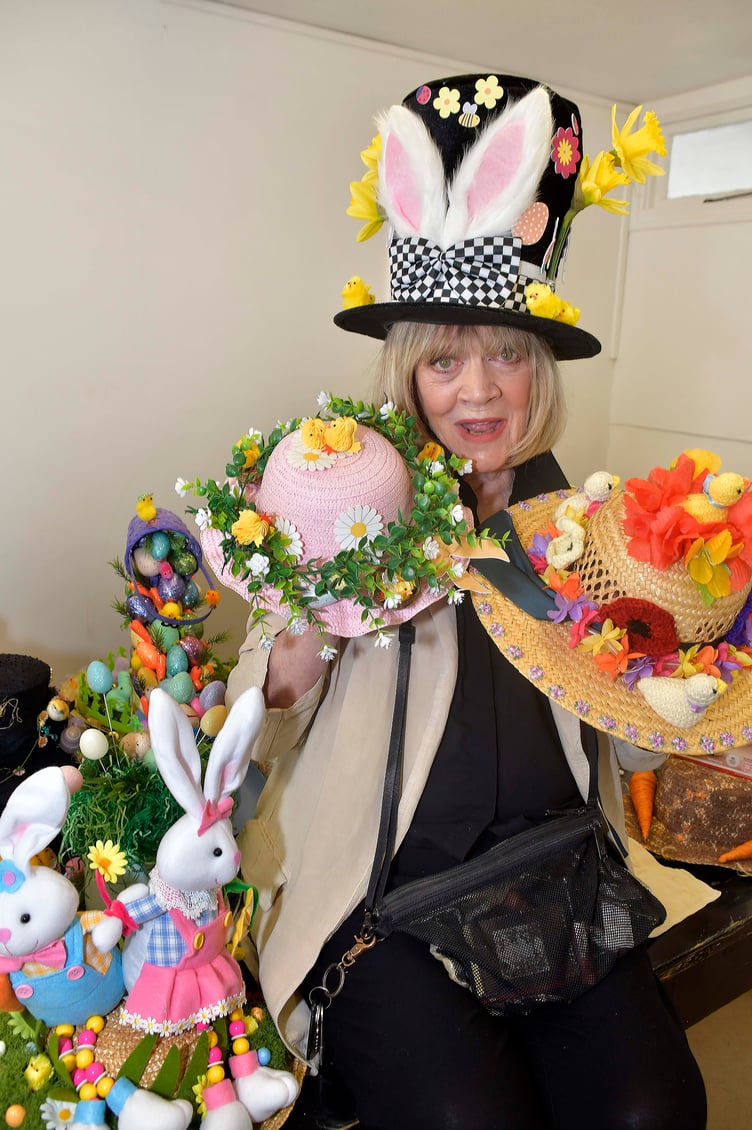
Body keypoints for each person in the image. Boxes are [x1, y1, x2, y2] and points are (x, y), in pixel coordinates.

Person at [220, 73, 708, 1129]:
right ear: (407, 374)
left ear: (538, 374)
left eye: (502, 357)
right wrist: (301, 628)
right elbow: (264, 708)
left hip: (556, 870)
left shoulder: (586, 526)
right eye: (442, 359)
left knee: (656, 1107)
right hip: (385, 896)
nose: (475, 391)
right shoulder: (348, 496)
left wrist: (690, 694)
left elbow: (628, 725)